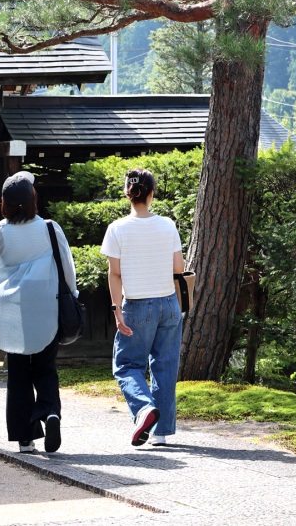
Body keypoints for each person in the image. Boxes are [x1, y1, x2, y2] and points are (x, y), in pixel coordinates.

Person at [0, 171, 78, 454]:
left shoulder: (1, 232)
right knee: (46, 367)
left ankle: (26, 438)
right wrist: (72, 296)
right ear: (33, 199)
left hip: (15, 310)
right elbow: (66, 267)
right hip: (47, 303)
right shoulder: (51, 228)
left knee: (20, 371)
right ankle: (51, 413)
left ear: (5, 203)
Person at [100, 168, 185, 447]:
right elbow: (178, 268)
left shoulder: (117, 229)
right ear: (151, 193)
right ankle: (160, 433)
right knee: (165, 367)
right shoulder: (168, 225)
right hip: (169, 303)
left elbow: (114, 274)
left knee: (126, 365)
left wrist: (116, 309)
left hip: (137, 306)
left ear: (127, 194)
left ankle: (144, 408)